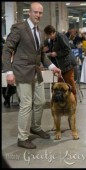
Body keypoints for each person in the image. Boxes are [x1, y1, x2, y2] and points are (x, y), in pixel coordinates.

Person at [2, 2, 61, 149]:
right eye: (36, 12)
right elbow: (7, 50)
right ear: (29, 12)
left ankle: (35, 127)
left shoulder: (40, 32)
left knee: (41, 102)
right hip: (21, 72)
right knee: (26, 105)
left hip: (36, 72)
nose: (38, 15)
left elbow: (41, 55)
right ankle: (22, 138)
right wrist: (8, 72)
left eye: (40, 13)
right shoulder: (19, 28)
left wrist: (52, 66)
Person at [44, 25, 77, 101]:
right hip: (60, 67)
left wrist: (57, 53)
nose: (48, 37)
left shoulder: (61, 37)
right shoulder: (53, 40)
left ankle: (73, 103)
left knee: (70, 86)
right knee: (60, 88)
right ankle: (63, 104)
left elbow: (67, 50)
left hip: (68, 66)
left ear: (52, 33)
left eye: (48, 35)